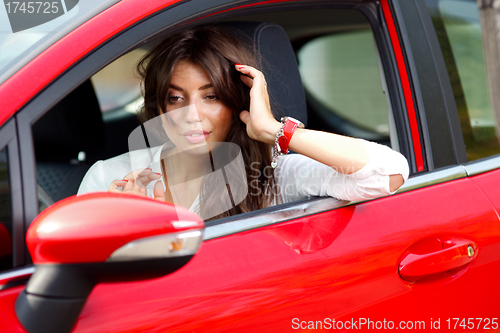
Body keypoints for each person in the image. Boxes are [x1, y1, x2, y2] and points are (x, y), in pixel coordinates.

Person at [78, 25, 409, 221]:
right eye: (176, 98)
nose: (191, 114)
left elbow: (387, 173)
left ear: (238, 102)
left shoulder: (271, 177)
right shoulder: (112, 179)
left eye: (211, 97)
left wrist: (272, 130)